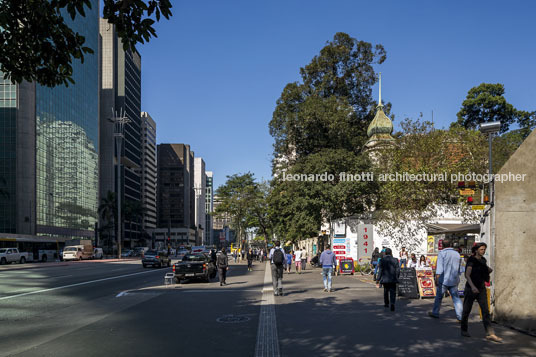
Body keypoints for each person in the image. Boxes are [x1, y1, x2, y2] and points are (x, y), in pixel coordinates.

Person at [461, 243, 502, 342]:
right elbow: (467, 275)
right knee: (466, 310)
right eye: (481, 249)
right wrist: (473, 287)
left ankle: (490, 333)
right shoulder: (471, 260)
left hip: (481, 289)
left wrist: (488, 270)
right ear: (476, 250)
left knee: (485, 311)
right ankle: (464, 329)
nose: (483, 251)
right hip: (471, 288)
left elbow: (485, 269)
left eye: (484, 249)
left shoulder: (483, 260)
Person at [428, 239, 463, 320]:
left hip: (444, 280)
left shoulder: (442, 253)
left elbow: (439, 268)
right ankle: (460, 316)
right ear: (450, 244)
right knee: (456, 298)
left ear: (442, 245)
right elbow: (460, 269)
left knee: (439, 297)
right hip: (454, 280)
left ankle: (435, 312)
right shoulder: (457, 254)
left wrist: (437, 278)